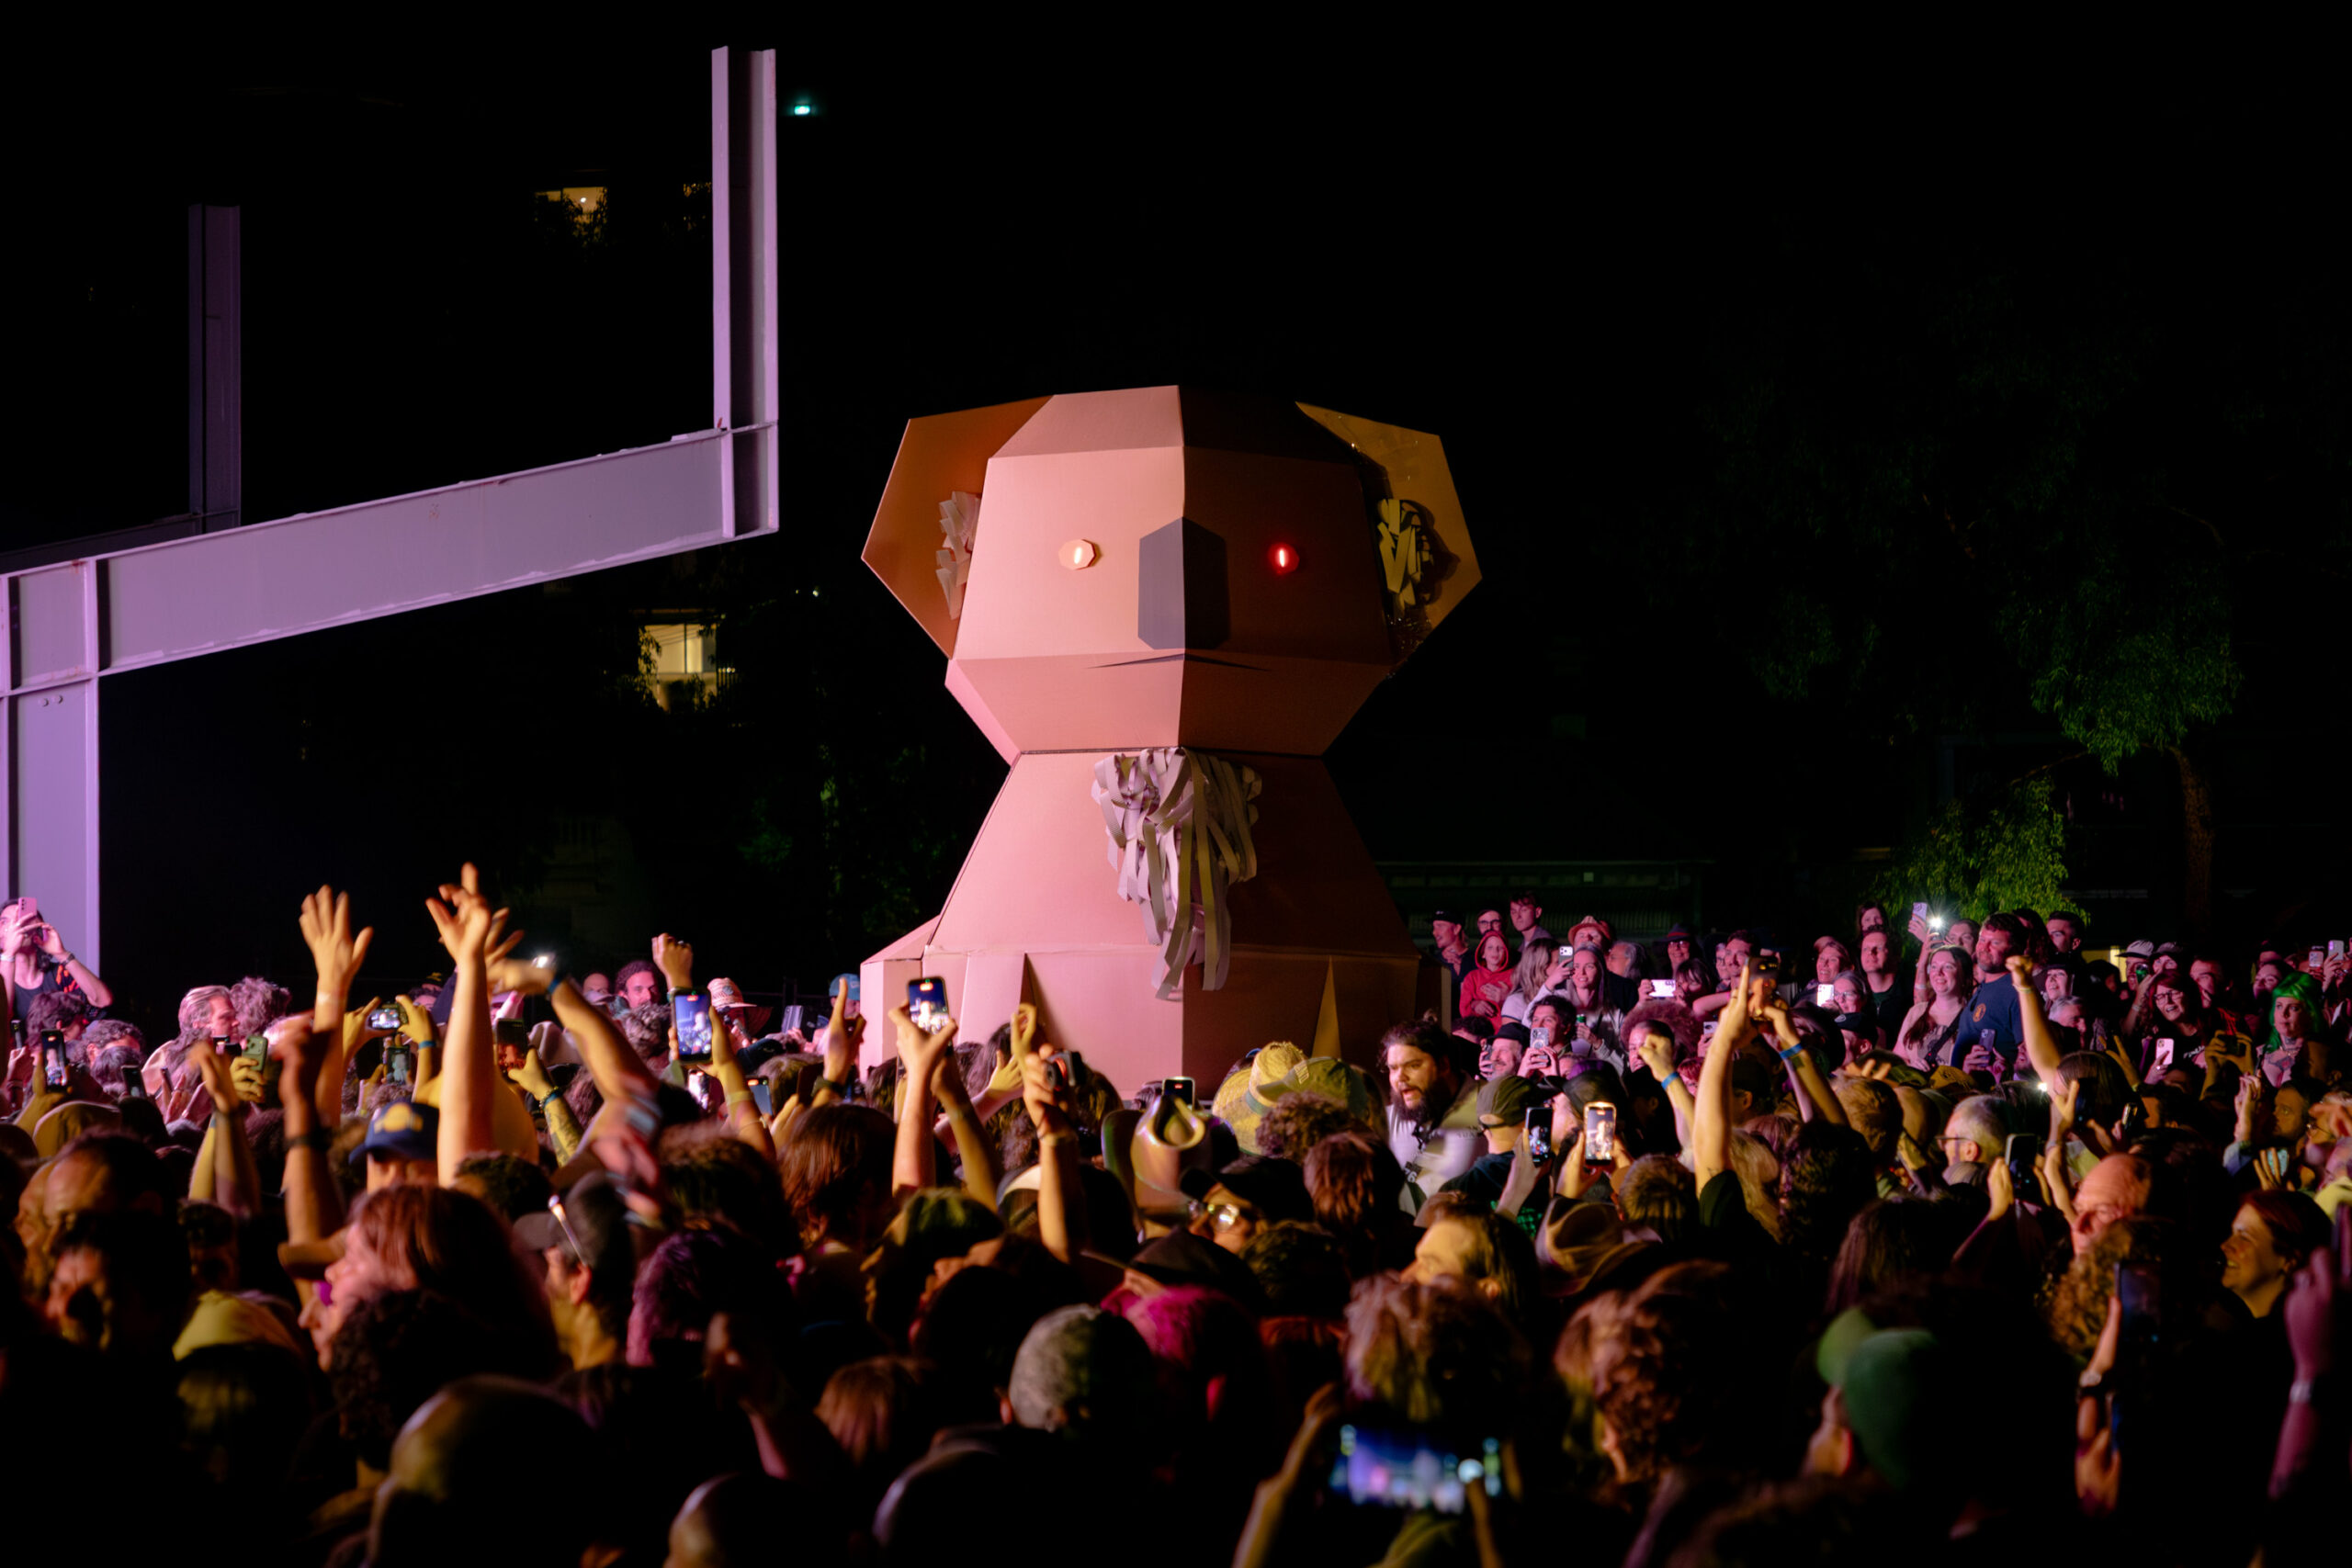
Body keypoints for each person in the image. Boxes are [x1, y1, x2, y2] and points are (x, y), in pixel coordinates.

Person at [1380, 1021, 1481, 1211]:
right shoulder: (1388, 1117)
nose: (1400, 1078)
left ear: (1443, 1065)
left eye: (1413, 1066)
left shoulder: (1486, 1108)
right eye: (1393, 1068)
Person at [1456, 929, 1515, 1021]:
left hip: (1504, 1027)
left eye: (1500, 948)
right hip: (1478, 1028)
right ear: (1483, 953)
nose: (1495, 951)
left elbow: (1523, 1007)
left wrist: (1507, 998)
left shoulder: (1515, 976)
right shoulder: (1472, 977)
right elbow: (1464, 1008)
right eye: (1490, 947)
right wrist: (1475, 1005)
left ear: (1506, 952)